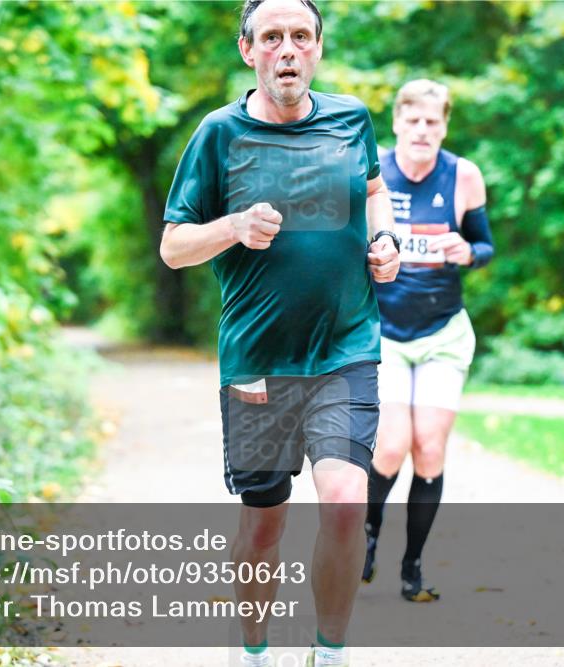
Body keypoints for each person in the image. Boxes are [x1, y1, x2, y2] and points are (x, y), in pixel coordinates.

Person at [159, 1, 399, 664]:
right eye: (272, 38)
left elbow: (375, 190)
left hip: (346, 349)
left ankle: (330, 652)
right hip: (258, 362)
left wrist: (386, 238)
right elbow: (174, 247)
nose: (287, 50)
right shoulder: (218, 135)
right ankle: (255, 650)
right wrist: (232, 226)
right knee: (265, 523)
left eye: (300, 36)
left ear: (318, 48)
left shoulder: (352, 118)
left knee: (347, 502)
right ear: (248, 50)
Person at [361, 79, 494, 603]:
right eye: (412, 120)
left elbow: (485, 245)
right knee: (391, 446)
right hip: (386, 333)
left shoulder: (463, 175)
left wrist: (468, 252)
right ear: (396, 123)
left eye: (432, 122)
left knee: (430, 448)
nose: (422, 130)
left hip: (443, 333)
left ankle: (412, 567)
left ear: (444, 126)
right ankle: (367, 539)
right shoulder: (374, 170)